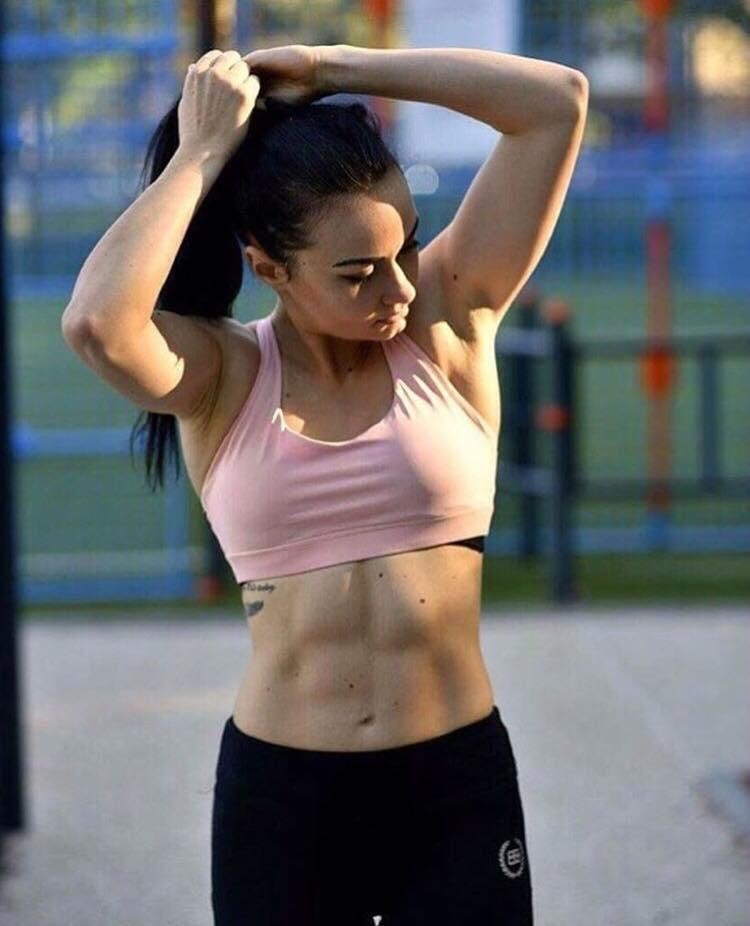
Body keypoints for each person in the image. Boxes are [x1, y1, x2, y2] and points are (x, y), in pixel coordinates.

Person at [61, 43, 588, 926]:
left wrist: (334, 68)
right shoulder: (223, 375)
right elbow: (96, 325)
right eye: (357, 271)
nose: (398, 286)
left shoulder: (448, 327)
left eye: (405, 246)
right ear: (268, 266)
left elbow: (556, 103)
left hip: (452, 786)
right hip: (284, 798)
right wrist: (202, 153)